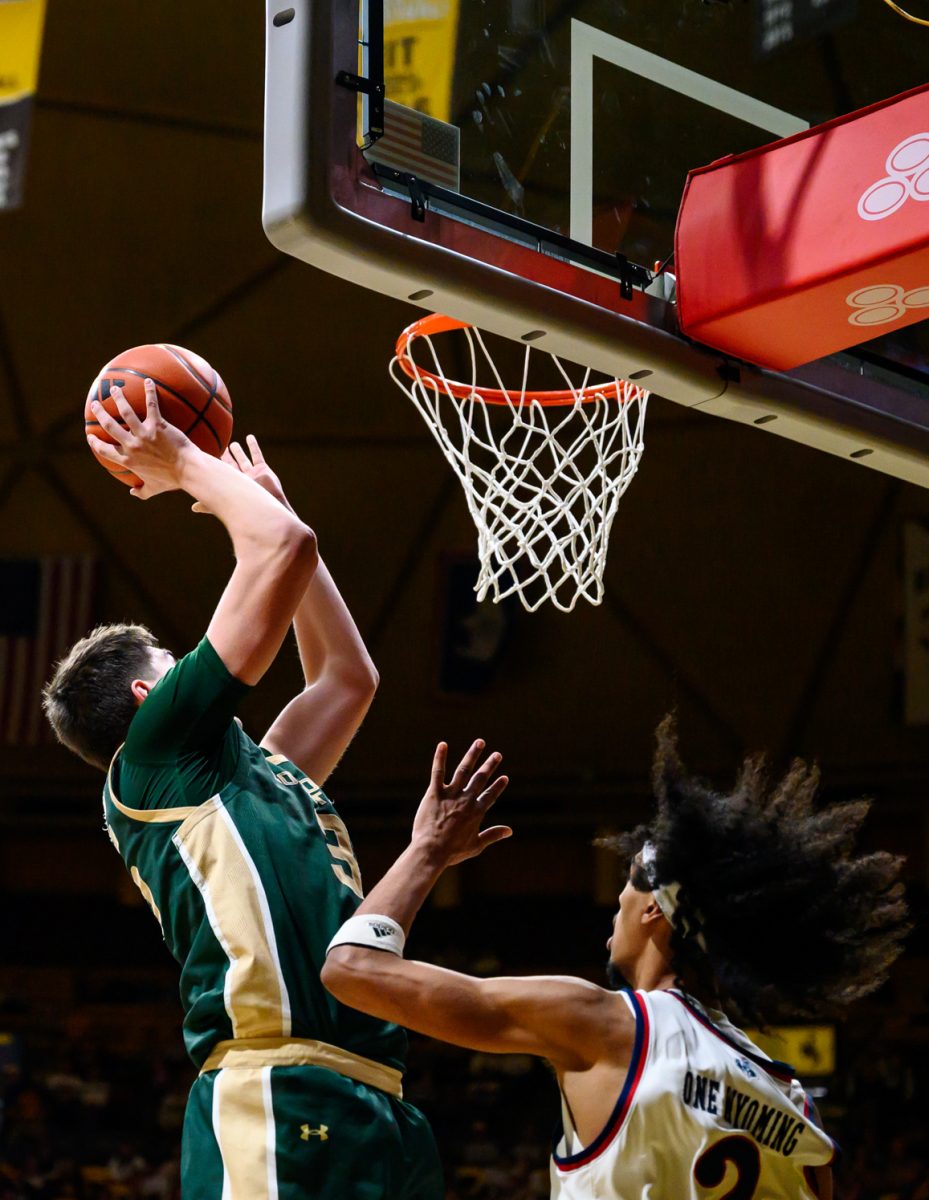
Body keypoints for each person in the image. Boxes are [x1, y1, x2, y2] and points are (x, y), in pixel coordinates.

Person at [43, 381, 443, 1200]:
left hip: (378, 1094)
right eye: (175, 660)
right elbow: (280, 550)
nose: (197, 662)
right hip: (272, 1085)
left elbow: (346, 677)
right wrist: (186, 463)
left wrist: (275, 515)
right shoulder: (153, 757)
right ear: (149, 701)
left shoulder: (249, 774)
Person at [321, 721, 911, 1199]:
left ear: (656, 909)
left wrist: (428, 850)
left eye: (630, 883)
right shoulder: (795, 1101)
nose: (619, 902)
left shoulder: (606, 1026)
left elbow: (351, 969)